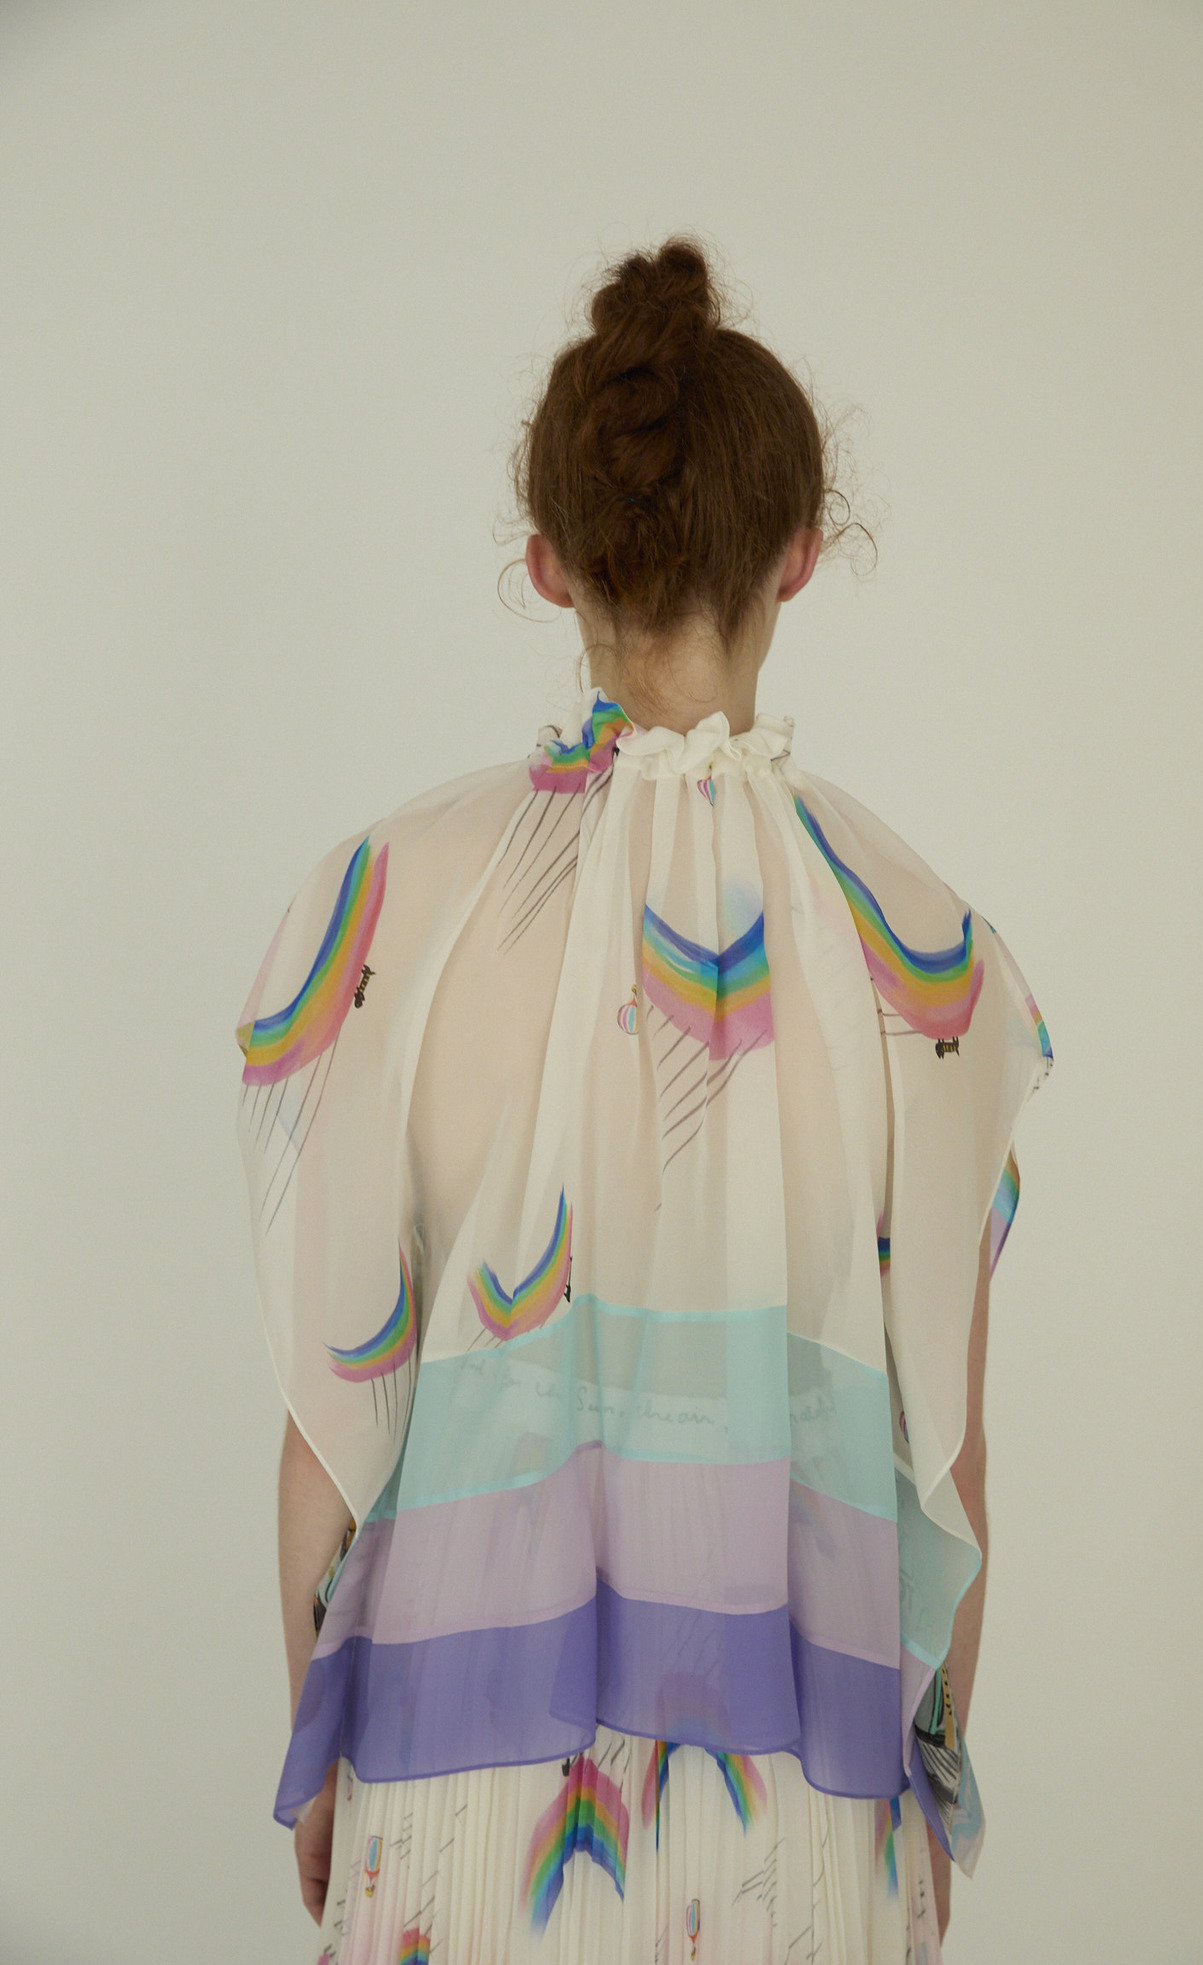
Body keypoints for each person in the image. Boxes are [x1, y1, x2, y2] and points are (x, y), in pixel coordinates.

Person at [236, 236, 1053, 1964]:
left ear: (547, 560)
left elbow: (330, 1425)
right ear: (800, 551)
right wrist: (929, 1784)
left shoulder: (392, 911)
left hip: (450, 1764)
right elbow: (949, 1451)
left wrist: (318, 1746)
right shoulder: (923, 960)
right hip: (803, 1790)